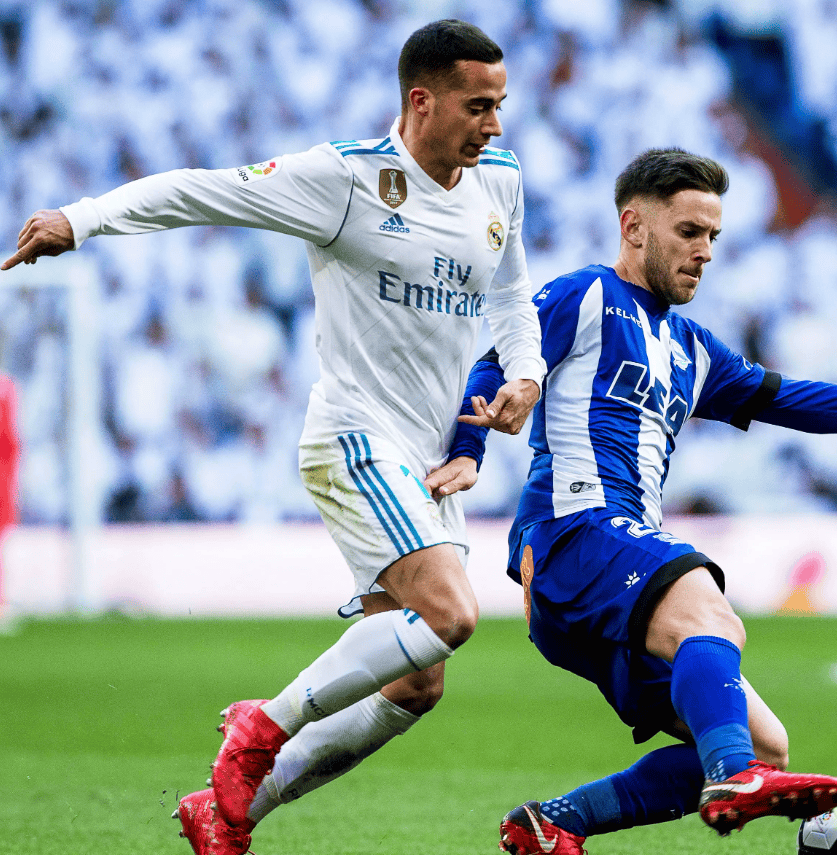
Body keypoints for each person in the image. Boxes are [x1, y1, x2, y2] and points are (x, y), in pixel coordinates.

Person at [2, 19, 546, 855]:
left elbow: (510, 294)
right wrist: (83, 218)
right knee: (452, 613)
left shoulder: (499, 180)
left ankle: (227, 814)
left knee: (416, 683)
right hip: (353, 436)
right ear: (421, 100)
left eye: (500, 105)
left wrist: (526, 374)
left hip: (427, 462)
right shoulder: (346, 179)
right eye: (479, 106)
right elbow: (204, 191)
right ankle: (263, 724)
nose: (495, 125)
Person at [434, 148, 837, 853]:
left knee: (766, 743)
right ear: (634, 227)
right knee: (710, 611)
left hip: (609, 571)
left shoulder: (693, 348)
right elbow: (498, 362)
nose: (706, 252)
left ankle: (556, 821)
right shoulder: (585, 295)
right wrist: (468, 451)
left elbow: (798, 401)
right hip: (573, 531)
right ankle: (732, 778)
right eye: (689, 232)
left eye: (714, 236)